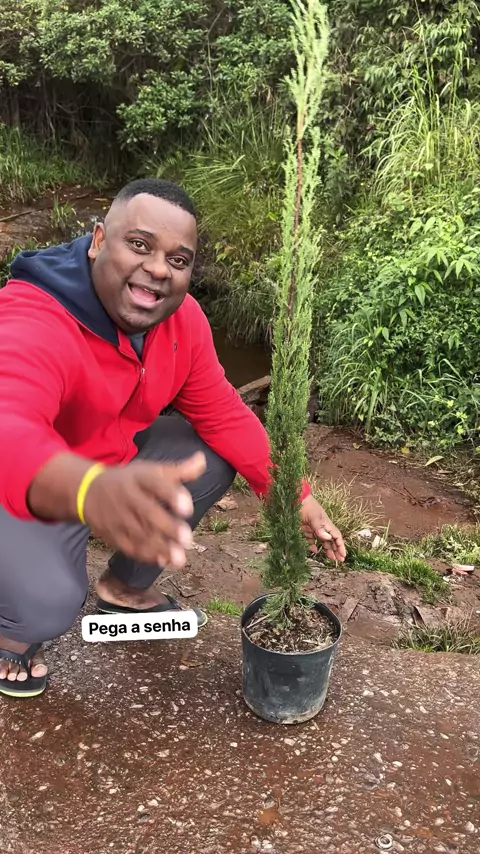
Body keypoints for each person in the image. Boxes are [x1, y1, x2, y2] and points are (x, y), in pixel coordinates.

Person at [0, 178, 346, 698]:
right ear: (98, 240)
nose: (159, 269)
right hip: (31, 485)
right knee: (47, 606)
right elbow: (9, 426)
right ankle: (10, 630)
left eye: (177, 259)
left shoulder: (183, 322)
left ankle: (122, 588)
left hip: (110, 465)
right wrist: (89, 490)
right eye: (140, 245)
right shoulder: (34, 314)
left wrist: (294, 495)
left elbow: (223, 412)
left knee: (209, 455)